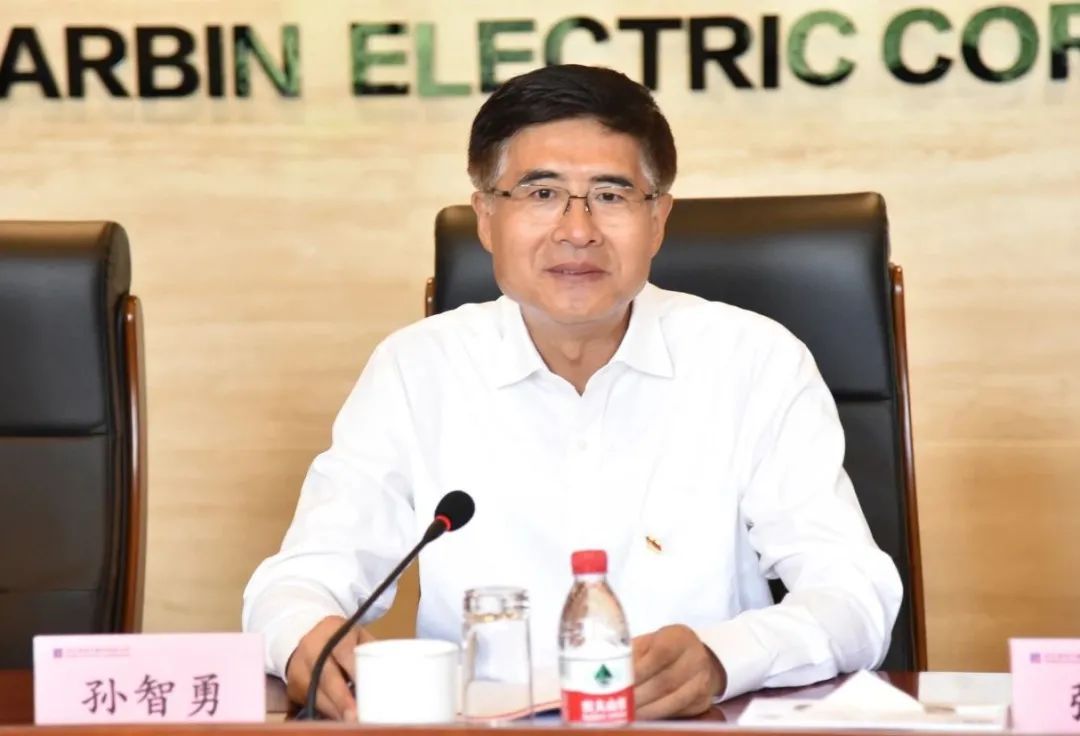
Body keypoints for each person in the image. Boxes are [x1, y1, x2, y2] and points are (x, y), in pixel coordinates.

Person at [242, 63, 902, 721]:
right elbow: (303, 577)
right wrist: (306, 635)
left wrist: (722, 658)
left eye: (611, 195)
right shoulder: (417, 370)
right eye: (542, 193)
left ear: (658, 218)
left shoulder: (753, 362)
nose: (577, 231)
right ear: (486, 217)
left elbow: (853, 594)